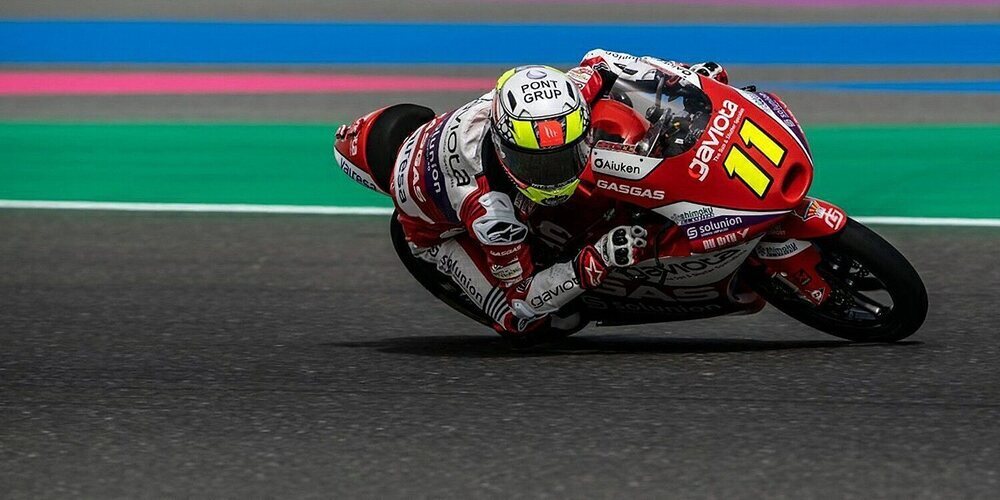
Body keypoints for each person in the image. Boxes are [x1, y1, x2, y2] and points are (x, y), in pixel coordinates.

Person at [389, 49, 729, 340]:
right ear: (506, 152)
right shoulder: (492, 215)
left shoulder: (569, 95)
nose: (555, 175)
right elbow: (522, 298)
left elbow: (601, 60)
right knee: (522, 324)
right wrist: (599, 257)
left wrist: (686, 78)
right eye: (537, 165)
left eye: (566, 156)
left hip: (456, 140)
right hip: (433, 232)